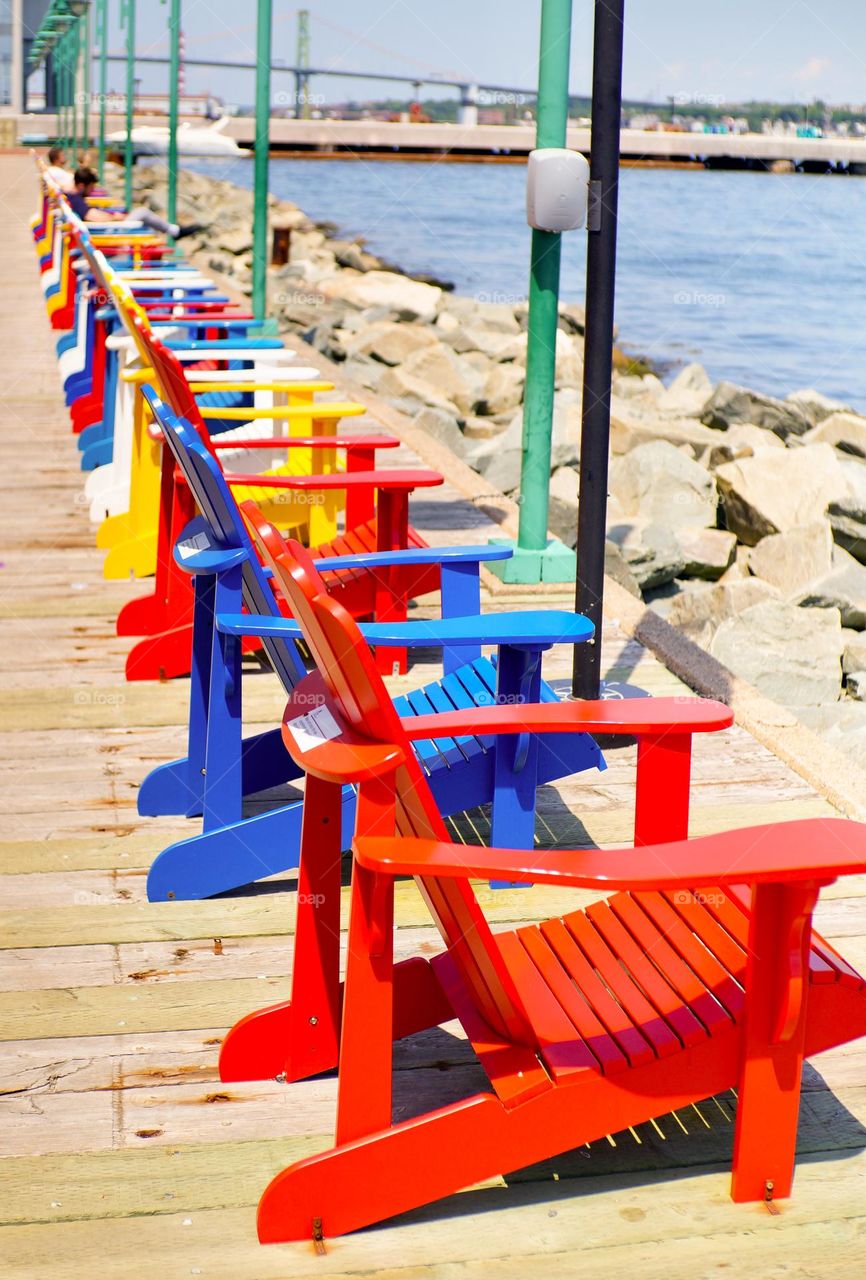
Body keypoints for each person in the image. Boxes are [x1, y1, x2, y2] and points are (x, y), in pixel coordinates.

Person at [67, 167, 205, 240]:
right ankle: (174, 232)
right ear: (81, 185)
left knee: (143, 220)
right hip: (105, 233)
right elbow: (92, 216)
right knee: (142, 213)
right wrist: (114, 217)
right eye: (91, 186)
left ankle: (173, 232)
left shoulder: (72, 197)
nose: (93, 190)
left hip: (102, 232)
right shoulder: (76, 199)